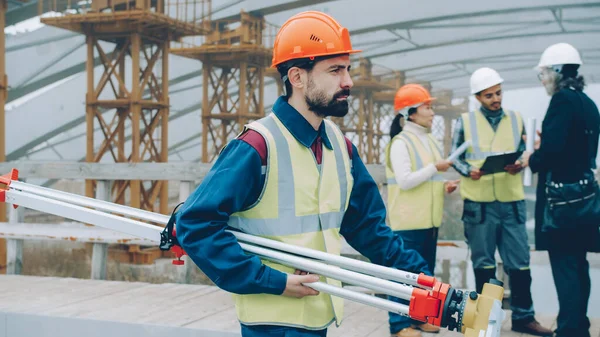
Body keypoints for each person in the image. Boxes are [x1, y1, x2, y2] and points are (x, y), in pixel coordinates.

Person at [175, 11, 430, 337]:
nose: (348, 82)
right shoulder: (257, 146)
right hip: (273, 321)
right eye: (335, 70)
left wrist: (421, 276)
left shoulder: (341, 146)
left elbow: (367, 227)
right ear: (297, 77)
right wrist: (272, 280)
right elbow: (195, 224)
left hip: (317, 315)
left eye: (348, 69)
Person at [450, 67, 553, 336]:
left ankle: (523, 318)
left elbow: (523, 152)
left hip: (511, 202)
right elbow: (455, 158)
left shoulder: (516, 119)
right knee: (483, 263)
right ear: (477, 97)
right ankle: (485, 320)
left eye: (498, 93)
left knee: (519, 262)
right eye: (489, 95)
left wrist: (520, 163)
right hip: (479, 204)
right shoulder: (465, 121)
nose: (496, 99)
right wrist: (467, 171)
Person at [522, 42, 600, 337]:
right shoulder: (587, 103)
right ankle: (579, 325)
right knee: (579, 267)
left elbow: (551, 155)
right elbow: (578, 150)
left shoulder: (561, 102)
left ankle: (569, 330)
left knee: (566, 269)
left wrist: (533, 157)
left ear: (556, 72)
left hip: (562, 207)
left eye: (543, 74)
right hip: (585, 202)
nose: (542, 80)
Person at [384, 84, 459, 337]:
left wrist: (444, 186)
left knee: (423, 276)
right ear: (411, 112)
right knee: (401, 275)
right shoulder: (400, 142)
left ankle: (419, 318)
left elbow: (428, 178)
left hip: (428, 220)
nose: (432, 111)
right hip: (407, 221)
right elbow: (405, 180)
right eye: (427, 107)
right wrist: (435, 169)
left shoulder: (429, 141)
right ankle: (399, 325)